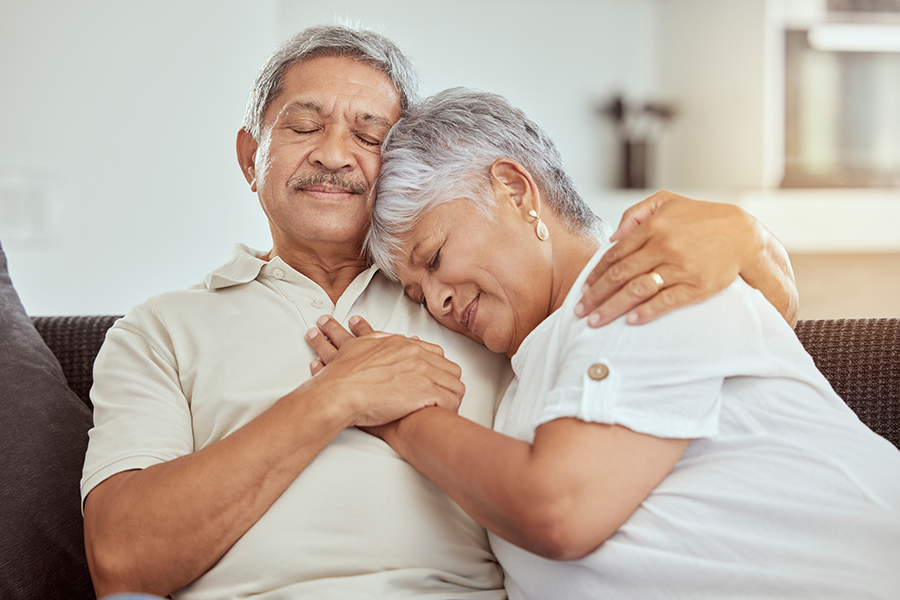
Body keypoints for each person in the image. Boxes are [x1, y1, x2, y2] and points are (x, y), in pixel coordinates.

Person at [81, 25, 799, 599]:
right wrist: (333, 397)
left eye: (368, 136)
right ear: (249, 157)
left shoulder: (483, 303)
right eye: (304, 127)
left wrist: (752, 239)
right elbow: (120, 562)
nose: (336, 153)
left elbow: (696, 336)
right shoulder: (159, 330)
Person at [309, 87, 900, 599]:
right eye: (417, 294)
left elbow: (559, 510)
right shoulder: (521, 387)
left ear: (514, 190)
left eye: (435, 259)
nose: (436, 301)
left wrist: (398, 414)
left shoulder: (640, 276)